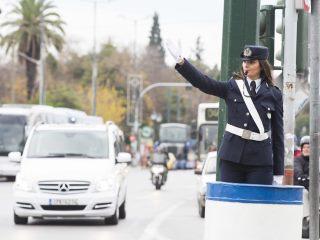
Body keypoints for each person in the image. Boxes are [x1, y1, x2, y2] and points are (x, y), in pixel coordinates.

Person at [166, 41, 284, 185]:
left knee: (257, 204)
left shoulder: (274, 94)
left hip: (260, 161)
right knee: (230, 204)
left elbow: (278, 135)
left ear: (261, 65)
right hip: (232, 158)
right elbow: (204, 83)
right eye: (244, 61)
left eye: (251, 62)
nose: (246, 65)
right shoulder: (233, 87)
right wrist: (182, 62)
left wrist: (279, 171)